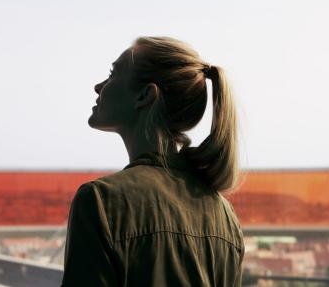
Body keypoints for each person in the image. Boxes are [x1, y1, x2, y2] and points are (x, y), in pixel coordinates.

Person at [61, 36, 244, 286]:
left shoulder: (101, 202)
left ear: (145, 95)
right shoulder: (226, 218)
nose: (98, 86)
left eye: (113, 74)